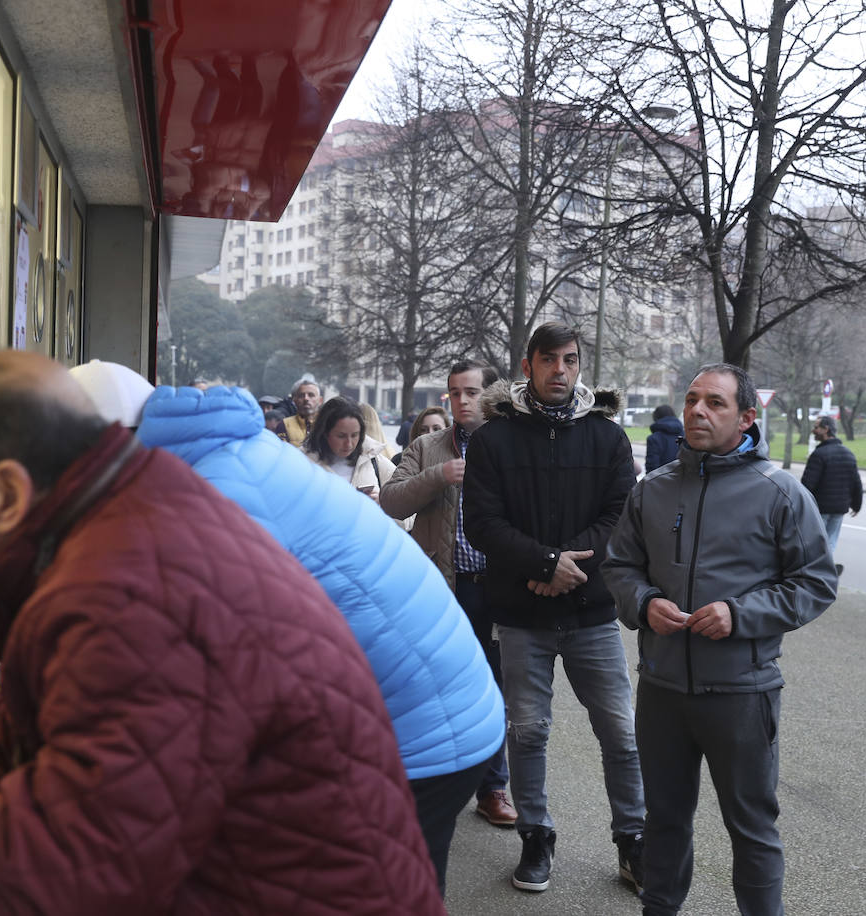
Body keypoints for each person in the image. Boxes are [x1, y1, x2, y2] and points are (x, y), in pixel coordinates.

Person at [0, 350, 444, 915]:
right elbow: (95, 715)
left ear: (7, 493)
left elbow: (68, 874)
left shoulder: (130, 586)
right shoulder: (134, 523)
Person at [136, 384, 505, 896]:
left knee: (375, 890)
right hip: (449, 707)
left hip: (420, 731)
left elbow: (228, 648)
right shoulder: (248, 453)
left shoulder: (217, 486)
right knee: (408, 886)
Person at [604, 363, 837, 916]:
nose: (698, 411)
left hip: (742, 692)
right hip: (661, 689)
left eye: (715, 402)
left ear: (747, 417)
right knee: (662, 820)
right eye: (691, 400)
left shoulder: (780, 492)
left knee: (752, 827)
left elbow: (816, 583)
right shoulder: (653, 490)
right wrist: (643, 603)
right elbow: (619, 567)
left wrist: (740, 614)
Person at [462, 325, 646, 895]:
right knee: (528, 730)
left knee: (620, 731)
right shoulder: (494, 440)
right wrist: (545, 564)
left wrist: (570, 569)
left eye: (569, 360)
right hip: (521, 614)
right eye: (549, 360)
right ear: (528, 365)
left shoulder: (608, 438)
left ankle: (633, 842)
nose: (560, 371)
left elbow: (621, 517)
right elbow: (483, 524)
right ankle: (537, 837)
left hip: (591, 610)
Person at [381, 359, 518, 831]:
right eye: (454, 393)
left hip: (496, 591)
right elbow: (390, 501)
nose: (462, 401)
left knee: (495, 691)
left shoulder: (512, 444)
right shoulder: (426, 446)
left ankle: (493, 788)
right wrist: (439, 475)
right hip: (441, 591)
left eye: (472, 392)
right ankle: (429, 784)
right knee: (433, 688)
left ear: (491, 394)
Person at [302, 396, 395, 500]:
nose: (349, 444)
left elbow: (403, 507)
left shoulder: (373, 458)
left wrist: (383, 504)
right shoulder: (301, 463)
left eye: (355, 435)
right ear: (324, 432)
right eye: (341, 436)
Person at [801, 414, 862, 573]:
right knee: (830, 542)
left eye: (816, 427)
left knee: (814, 543)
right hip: (839, 508)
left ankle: (817, 573)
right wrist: (856, 504)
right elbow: (856, 481)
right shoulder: (848, 454)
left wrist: (799, 505)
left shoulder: (819, 455)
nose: (813, 431)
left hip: (820, 509)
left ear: (825, 429)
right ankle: (825, 570)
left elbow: (807, 485)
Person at [283, 378, 322, 446]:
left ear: (320, 400)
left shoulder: (329, 425)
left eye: (311, 395)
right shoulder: (285, 425)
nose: (306, 398)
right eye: (301, 395)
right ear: (294, 400)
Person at [645, 404, 683, 472]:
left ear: (656, 418)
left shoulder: (654, 439)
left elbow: (652, 467)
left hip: (661, 480)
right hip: (684, 479)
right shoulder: (685, 435)